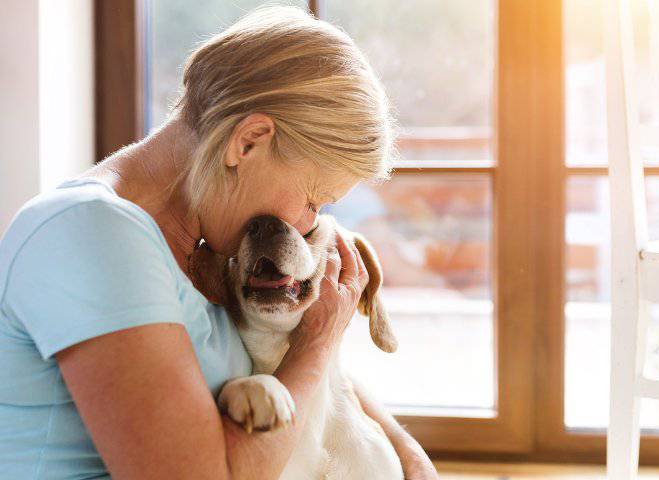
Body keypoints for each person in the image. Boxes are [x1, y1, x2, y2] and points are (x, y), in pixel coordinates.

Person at [0, 5, 437, 479]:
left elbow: (317, 382)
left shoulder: (208, 249)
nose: (305, 224)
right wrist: (314, 343)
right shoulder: (93, 234)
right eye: (314, 200)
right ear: (248, 141)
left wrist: (408, 453)